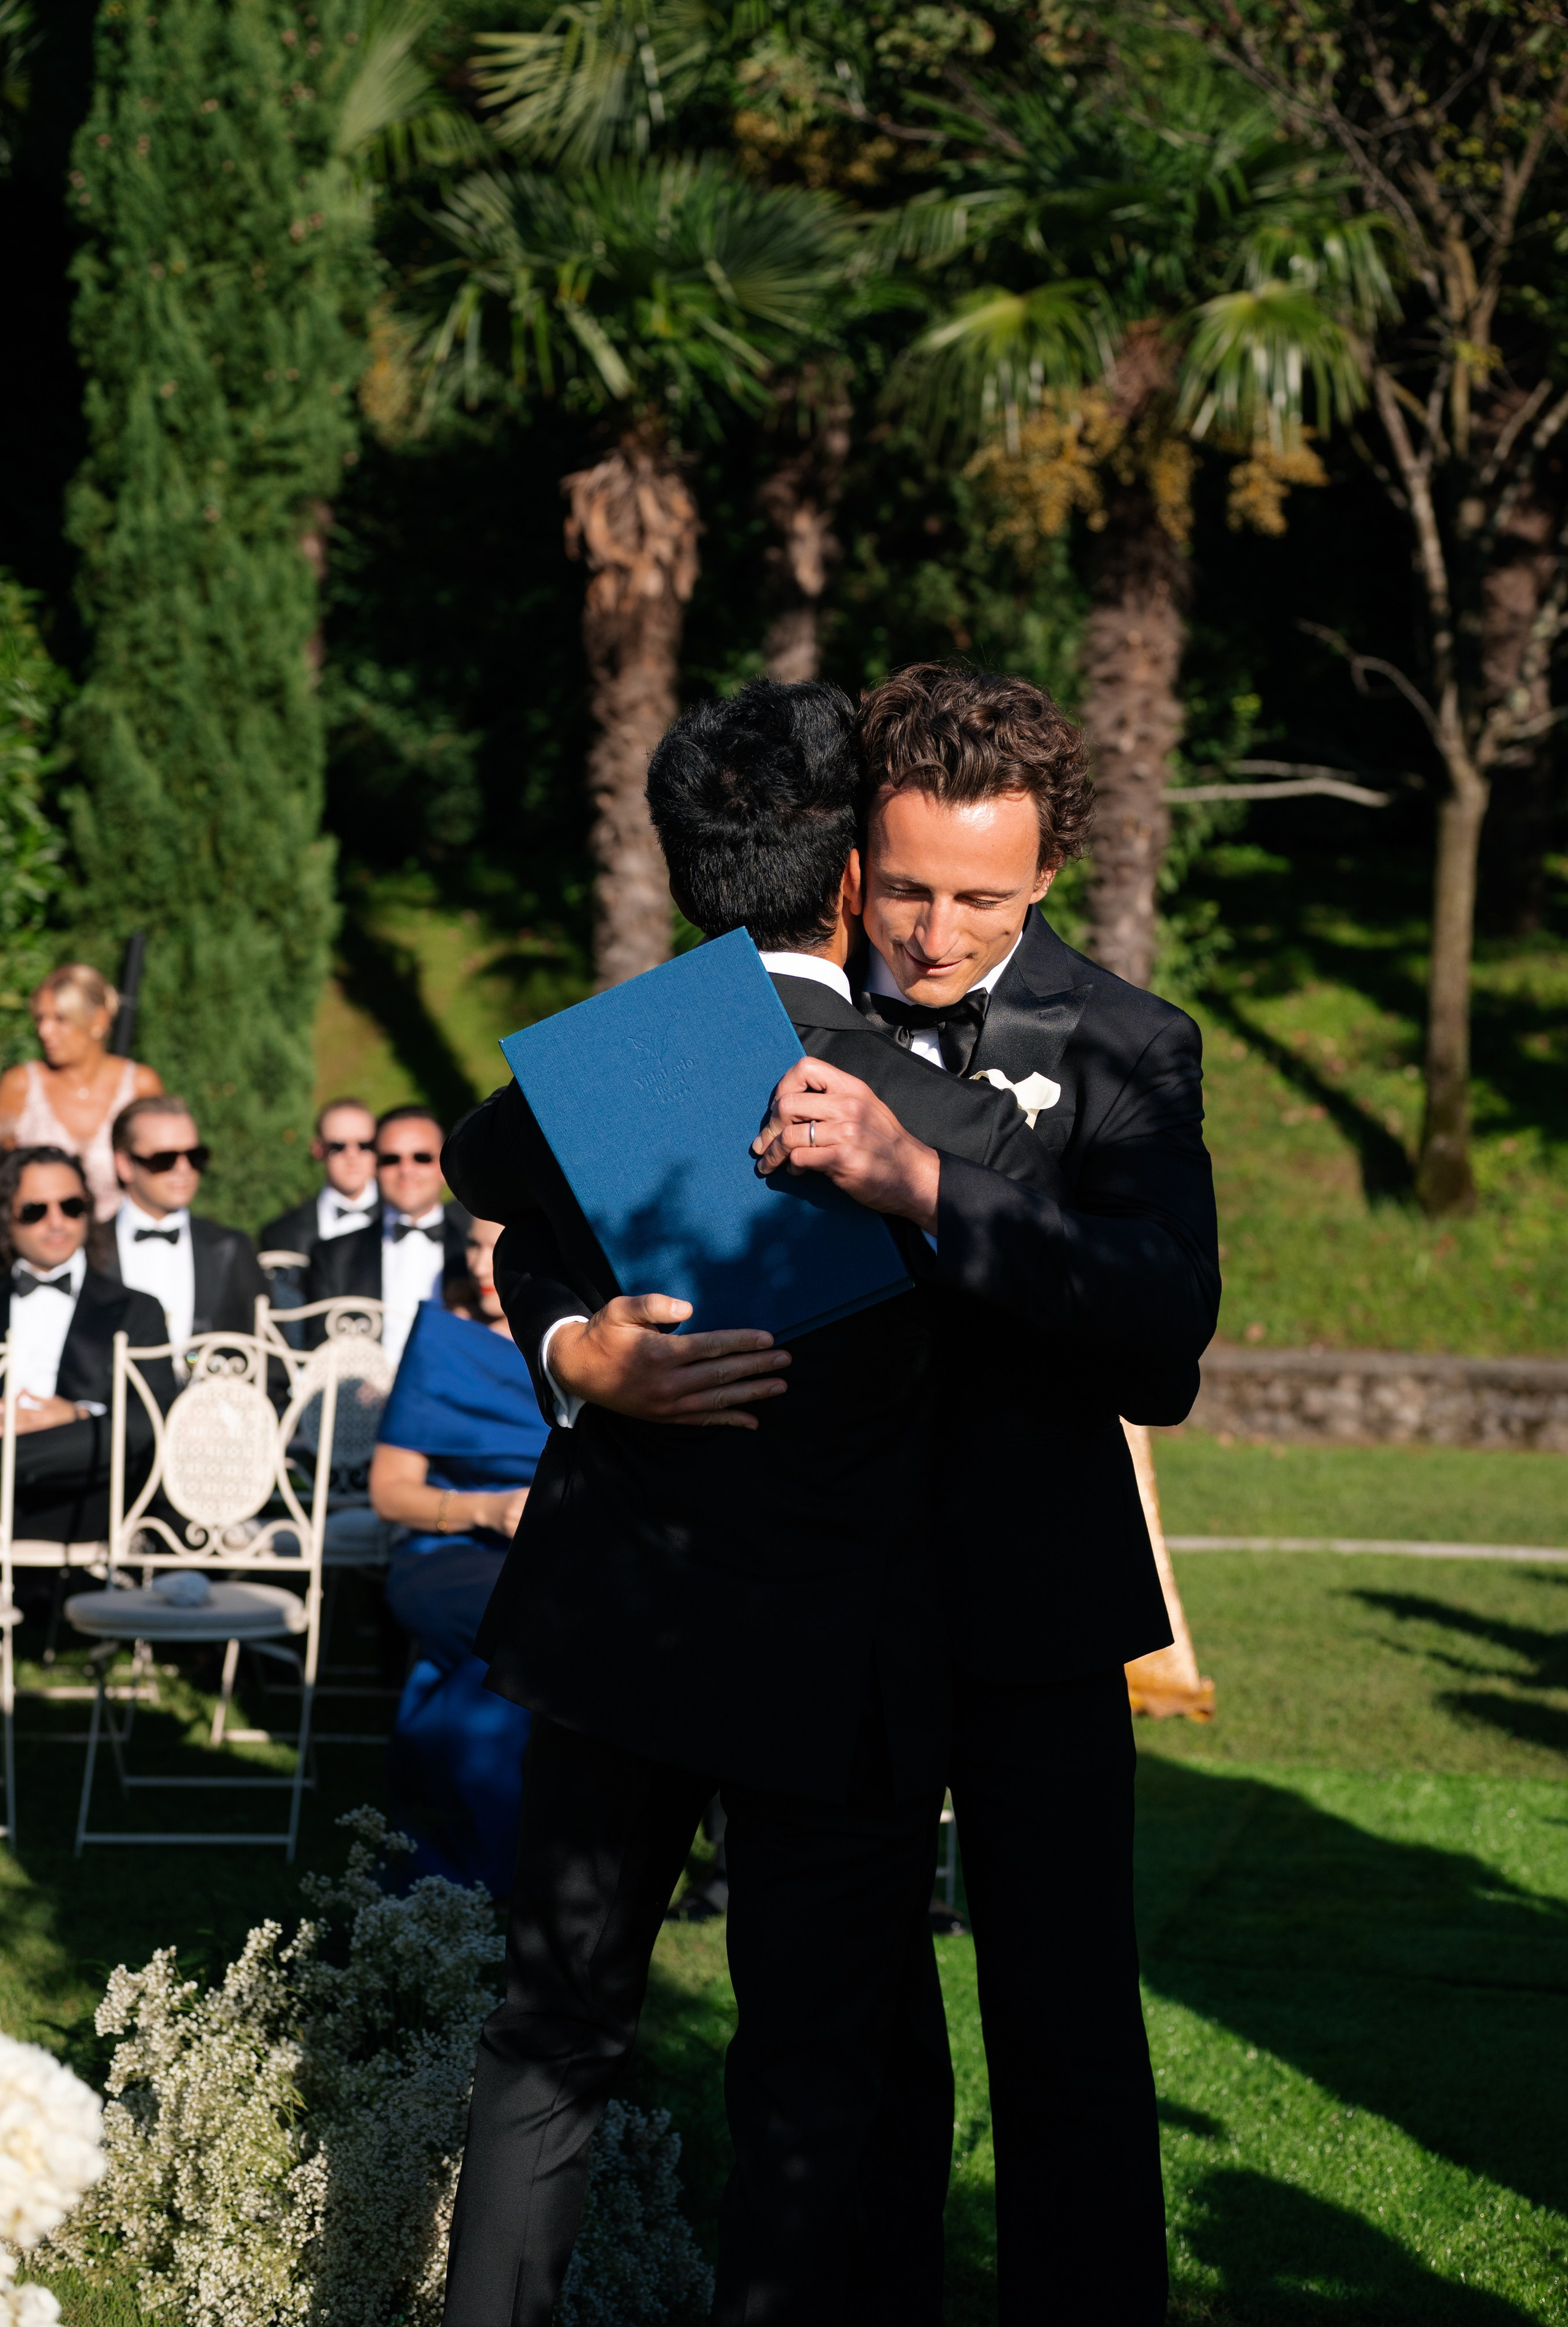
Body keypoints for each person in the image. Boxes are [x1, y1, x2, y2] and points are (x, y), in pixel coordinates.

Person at [439, 678, 1062, 2327]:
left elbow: (488, 1177)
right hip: (838, 1661)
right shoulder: (944, 1117)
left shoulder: (609, 1073)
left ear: (673, 859)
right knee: (807, 2071)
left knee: (551, 2033)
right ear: (854, 871)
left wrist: (567, 1343)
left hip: (616, 1632)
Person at [749, 662, 1220, 2325]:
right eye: (909, 889)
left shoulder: (1129, 1044)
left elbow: (1162, 1335)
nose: (935, 932)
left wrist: (924, 1180)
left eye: (984, 899)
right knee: (834, 2021)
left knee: (1068, 2021)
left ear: (1047, 879)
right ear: (855, 857)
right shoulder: (767, 1012)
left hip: (1033, 1597)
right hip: (822, 1600)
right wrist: (584, 1344)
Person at [370, 1217, 547, 1898]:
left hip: (560, 1557)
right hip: (447, 1551)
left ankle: (465, 1863)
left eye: (500, 1242)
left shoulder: (592, 1341)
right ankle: (483, 1866)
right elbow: (390, 1492)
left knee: (536, 1641)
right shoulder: (443, 1341)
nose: (481, 1260)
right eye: (472, 1243)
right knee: (521, 1635)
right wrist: (489, 1509)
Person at [0, 1145, 175, 1541]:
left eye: (72, 1207)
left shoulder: (137, 1309)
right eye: (35, 1211)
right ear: (6, 1216)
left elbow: (155, 1418)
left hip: (87, 1496)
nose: (57, 1223)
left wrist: (76, 1416)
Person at [306, 1105, 471, 1367]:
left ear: (444, 1165)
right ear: (375, 1167)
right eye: (391, 1159)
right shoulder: (332, 1256)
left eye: (421, 1157)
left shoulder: (480, 1250)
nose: (406, 1170)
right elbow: (320, 1354)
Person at [0, 964, 163, 1224]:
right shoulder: (20, 1085)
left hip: (118, 1248)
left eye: (60, 1019)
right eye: (40, 1019)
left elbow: (159, 1174)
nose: (44, 1032)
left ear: (99, 1020)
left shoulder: (140, 1085)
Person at [107, 1096, 269, 1353]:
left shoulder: (231, 1248)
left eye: (194, 1157)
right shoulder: (89, 1250)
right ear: (125, 1165)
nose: (183, 1169)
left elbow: (268, 1357)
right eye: (165, 1159)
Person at [259, 1097, 380, 1260]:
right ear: (318, 1149)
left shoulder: (410, 1220)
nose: (353, 1156)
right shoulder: (280, 1235)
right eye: (338, 1147)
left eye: (365, 1145)